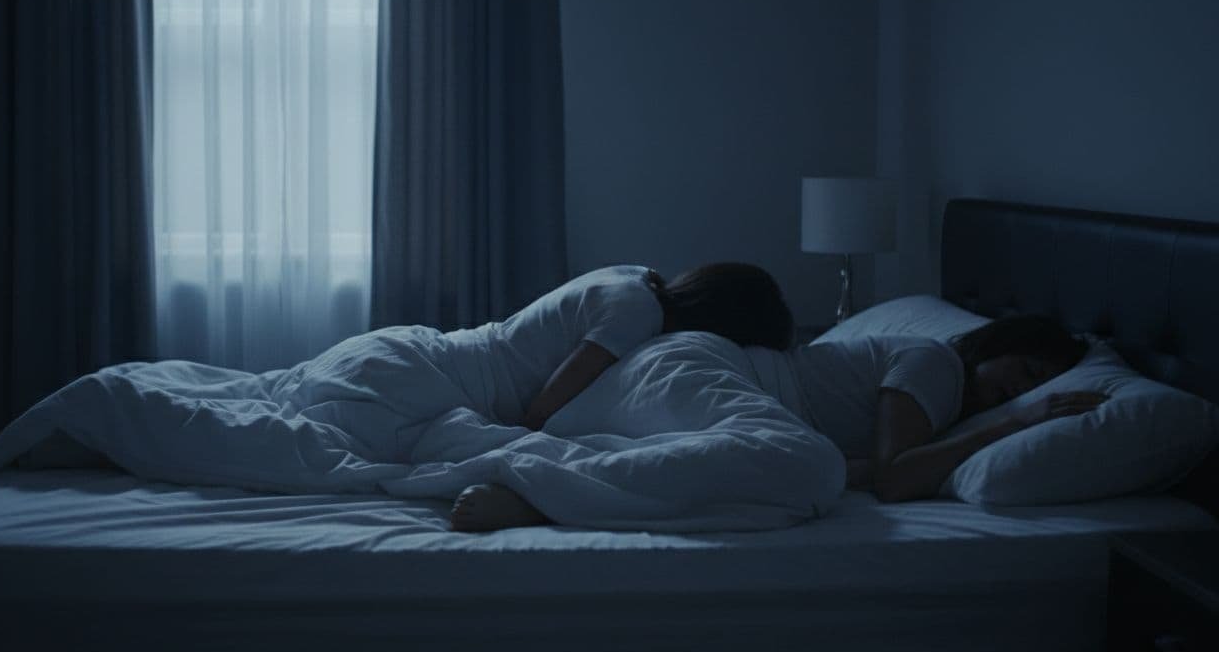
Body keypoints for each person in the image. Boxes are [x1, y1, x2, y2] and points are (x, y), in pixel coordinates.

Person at [452, 313, 1107, 531]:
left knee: (802, 468)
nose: (1017, 390)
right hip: (703, 373)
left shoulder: (941, 405)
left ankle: (532, 478)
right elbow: (897, 481)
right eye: (1022, 371)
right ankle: (538, 500)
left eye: (1036, 387)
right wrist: (1020, 419)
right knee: (810, 469)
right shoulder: (937, 362)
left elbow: (886, 471)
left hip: (675, 383)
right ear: (995, 345)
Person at [448, 262, 793, 530]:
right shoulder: (638, 316)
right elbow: (539, 414)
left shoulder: (638, 278)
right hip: (455, 379)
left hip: (451, 355)